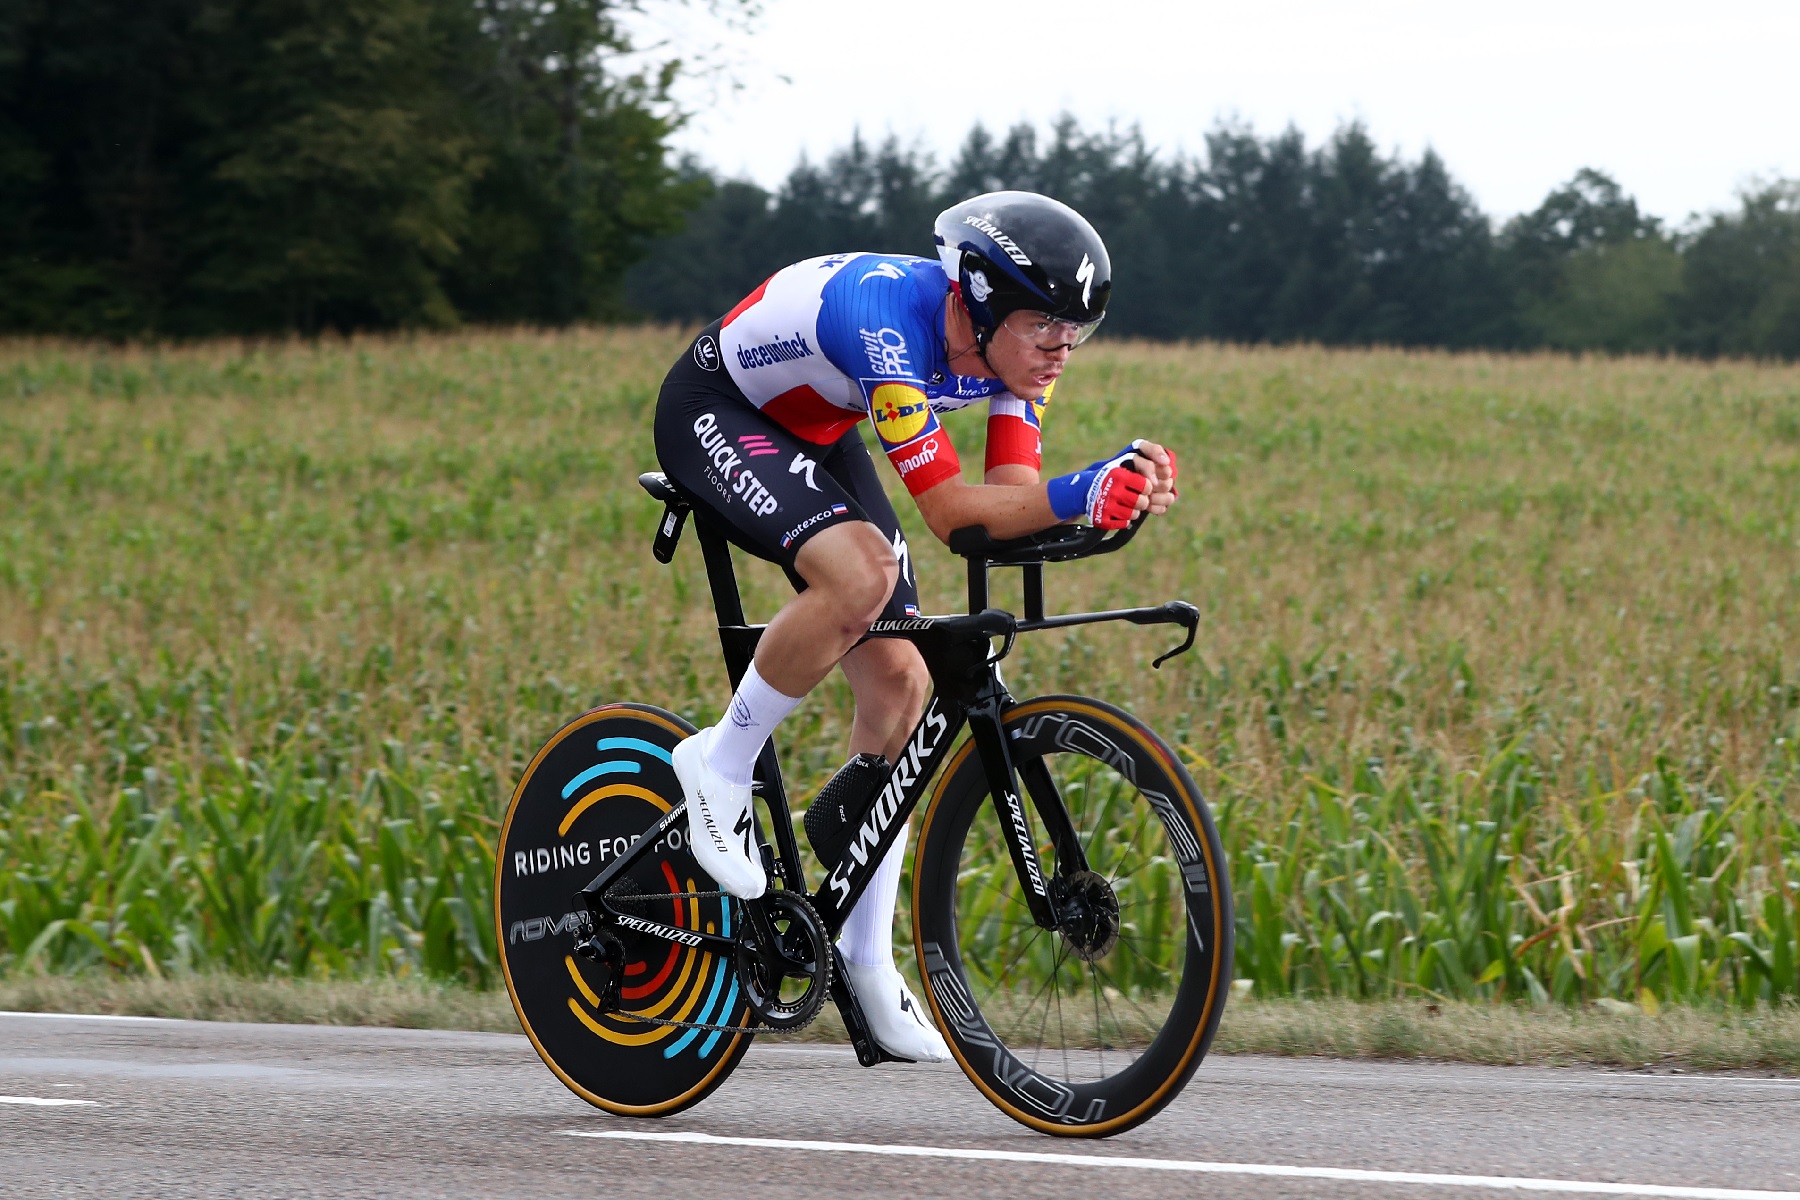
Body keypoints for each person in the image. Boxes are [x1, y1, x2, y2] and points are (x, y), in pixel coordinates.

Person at [652, 191, 1179, 1063]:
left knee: (904, 680)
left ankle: (864, 959)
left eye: (1076, 331)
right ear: (976, 297)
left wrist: (1112, 503)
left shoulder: (1021, 362)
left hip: (817, 429)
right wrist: (1081, 491)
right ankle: (720, 761)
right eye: (1046, 325)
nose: (1061, 349)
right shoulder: (890, 324)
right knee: (863, 575)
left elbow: (1008, 505)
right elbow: (947, 514)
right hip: (719, 412)